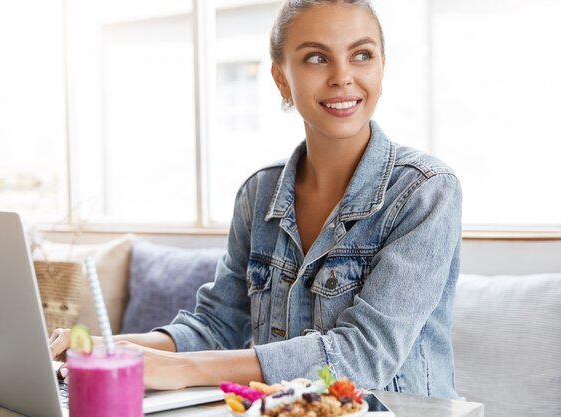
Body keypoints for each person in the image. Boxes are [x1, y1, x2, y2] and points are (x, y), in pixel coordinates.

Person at [51, 0, 462, 399]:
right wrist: (103, 346)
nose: (342, 76)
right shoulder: (259, 194)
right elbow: (216, 323)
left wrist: (180, 370)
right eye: (316, 58)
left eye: (362, 55)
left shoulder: (425, 191)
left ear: (381, 67)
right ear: (281, 78)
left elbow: (364, 356)